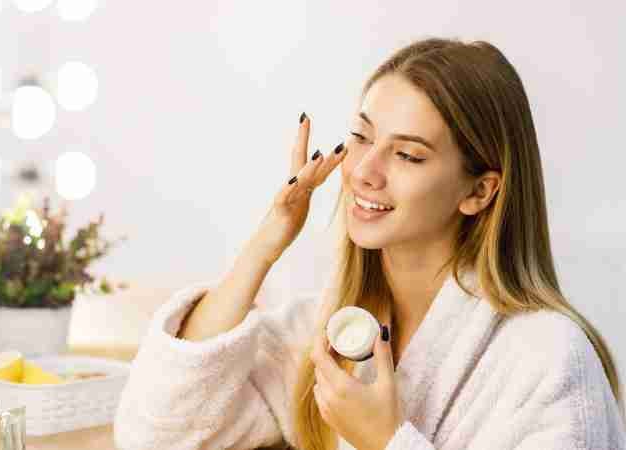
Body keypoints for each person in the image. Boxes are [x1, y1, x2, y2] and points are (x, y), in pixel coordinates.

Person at [114, 37, 626, 450]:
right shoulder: (327, 331)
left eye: (408, 155)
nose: (364, 171)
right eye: (361, 137)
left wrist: (385, 441)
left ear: (479, 191)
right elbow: (157, 435)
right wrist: (266, 244)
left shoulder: (548, 357)